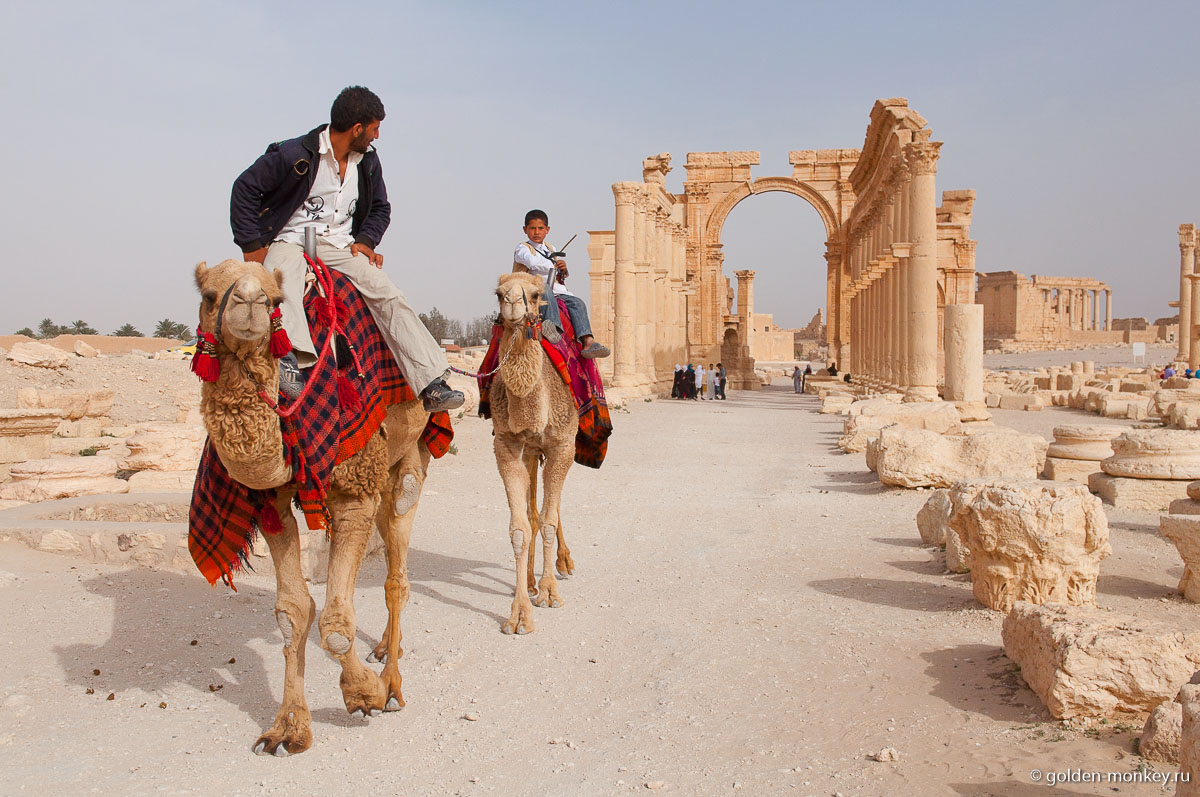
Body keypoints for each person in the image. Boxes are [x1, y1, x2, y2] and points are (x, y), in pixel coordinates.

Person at [229, 86, 463, 412]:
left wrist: (366, 241)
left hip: (338, 245)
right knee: (283, 281)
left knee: (387, 292)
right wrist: (252, 246)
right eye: (374, 128)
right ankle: (291, 362)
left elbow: (380, 208)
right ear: (356, 129)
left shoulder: (367, 162)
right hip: (293, 238)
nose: (377, 135)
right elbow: (244, 189)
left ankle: (431, 382)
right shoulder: (295, 154)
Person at [513, 210, 609, 358]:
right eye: (532, 228)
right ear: (525, 230)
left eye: (540, 228)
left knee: (577, 303)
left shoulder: (551, 249)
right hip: (532, 288)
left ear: (547, 230)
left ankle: (587, 340)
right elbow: (531, 262)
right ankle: (553, 328)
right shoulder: (523, 248)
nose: (536, 232)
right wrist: (552, 264)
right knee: (543, 288)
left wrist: (562, 268)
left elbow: (557, 273)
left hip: (555, 290)